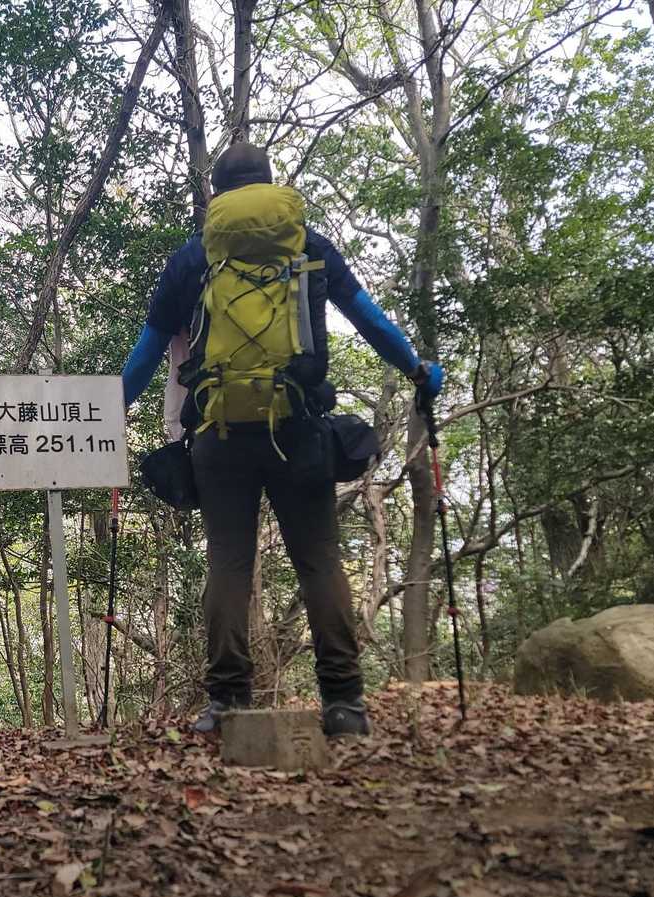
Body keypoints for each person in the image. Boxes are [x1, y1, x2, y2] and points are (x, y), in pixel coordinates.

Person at [122, 144, 443, 736]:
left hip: (218, 433)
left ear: (216, 193)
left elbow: (147, 354)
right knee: (318, 561)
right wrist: (418, 371)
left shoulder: (194, 257)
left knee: (228, 563)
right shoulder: (309, 246)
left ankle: (227, 703)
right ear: (270, 183)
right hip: (299, 426)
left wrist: (107, 410)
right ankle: (344, 703)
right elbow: (370, 320)